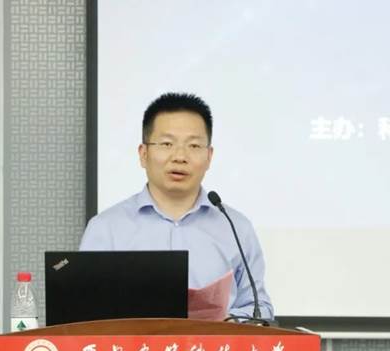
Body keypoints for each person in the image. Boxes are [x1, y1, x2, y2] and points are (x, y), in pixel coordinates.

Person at [80, 92, 274, 319]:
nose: (180, 156)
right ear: (143, 154)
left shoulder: (236, 228)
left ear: (209, 156)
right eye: (167, 144)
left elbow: (259, 308)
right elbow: (83, 312)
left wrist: (225, 324)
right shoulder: (106, 229)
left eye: (194, 145)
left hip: (213, 342)